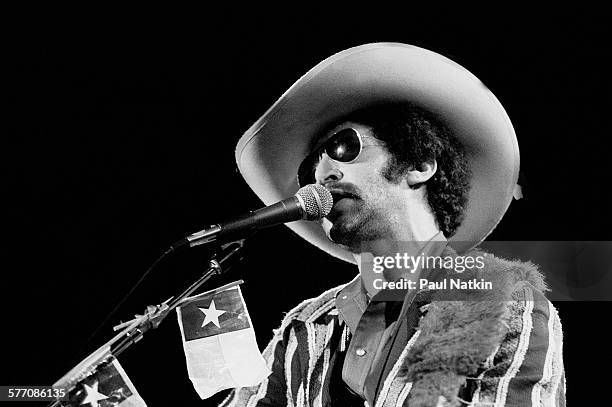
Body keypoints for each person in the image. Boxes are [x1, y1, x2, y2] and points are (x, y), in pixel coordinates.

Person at [221, 43, 565, 406]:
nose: (322, 176)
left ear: (419, 165)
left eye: (343, 148)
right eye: (309, 172)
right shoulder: (305, 328)